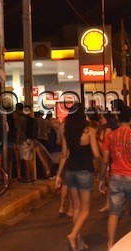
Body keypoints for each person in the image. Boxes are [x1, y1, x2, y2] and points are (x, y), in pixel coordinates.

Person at [98, 100, 131, 250]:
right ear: (130, 118)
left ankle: (110, 244)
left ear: (117, 118)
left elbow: (105, 160)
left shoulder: (110, 136)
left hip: (115, 178)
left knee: (114, 212)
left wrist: (101, 179)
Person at [55, 103, 100, 251]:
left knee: (76, 208)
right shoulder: (89, 130)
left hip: (70, 170)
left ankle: (79, 242)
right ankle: (73, 235)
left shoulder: (67, 131)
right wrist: (100, 169)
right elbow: (96, 154)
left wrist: (59, 175)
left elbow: (64, 155)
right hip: (85, 171)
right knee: (85, 209)